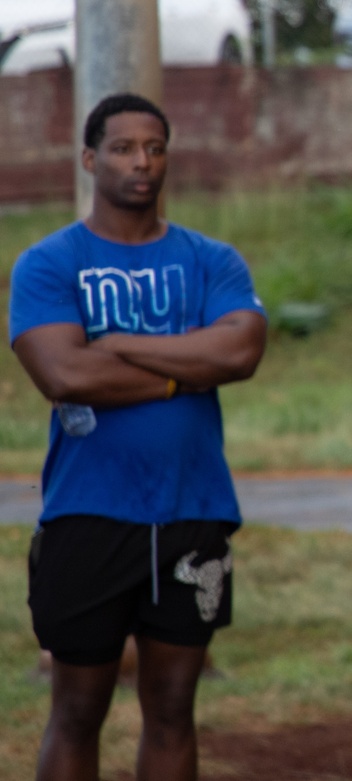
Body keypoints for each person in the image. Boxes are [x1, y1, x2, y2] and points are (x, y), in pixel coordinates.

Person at [8, 93, 267, 781]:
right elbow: (62, 372)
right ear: (91, 159)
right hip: (87, 512)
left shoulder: (210, 259)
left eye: (154, 147)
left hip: (192, 509)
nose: (141, 161)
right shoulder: (49, 263)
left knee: (175, 705)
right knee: (79, 707)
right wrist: (186, 368)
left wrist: (117, 343)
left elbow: (239, 352)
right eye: (123, 148)